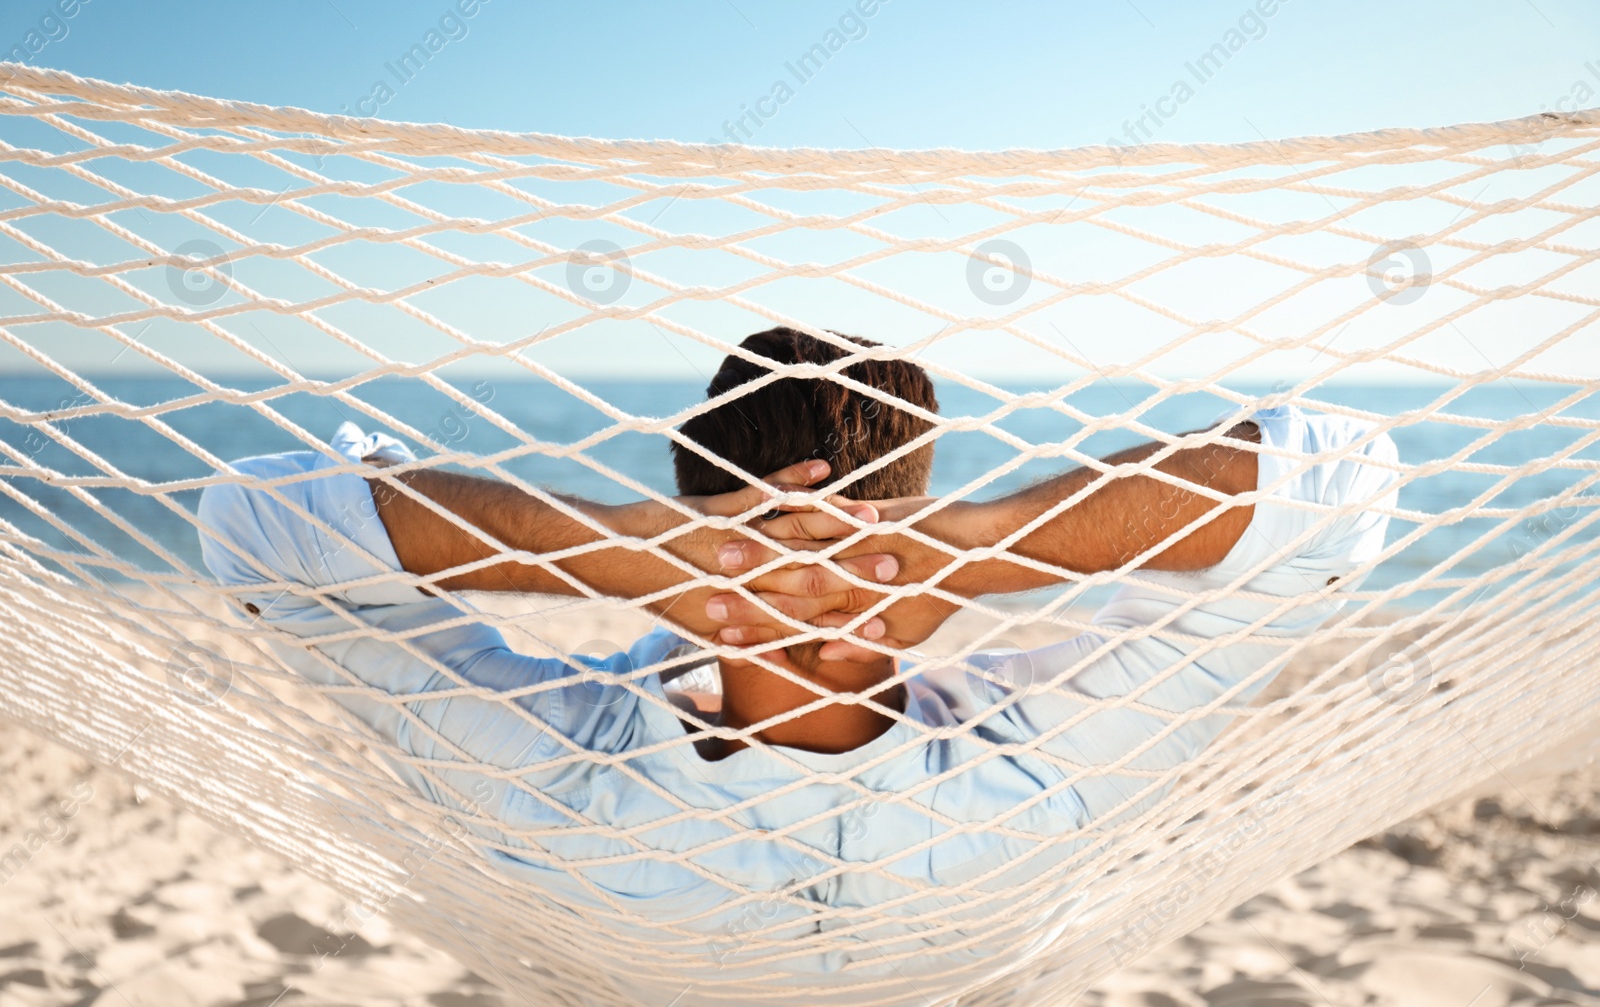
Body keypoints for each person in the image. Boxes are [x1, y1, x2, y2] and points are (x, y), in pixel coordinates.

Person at [197, 327, 1399, 1005]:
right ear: (916, 508)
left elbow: (255, 530)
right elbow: (1341, 487)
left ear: (682, 510)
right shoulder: (1042, 776)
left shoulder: (565, 787)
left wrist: (625, 560)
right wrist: (978, 550)